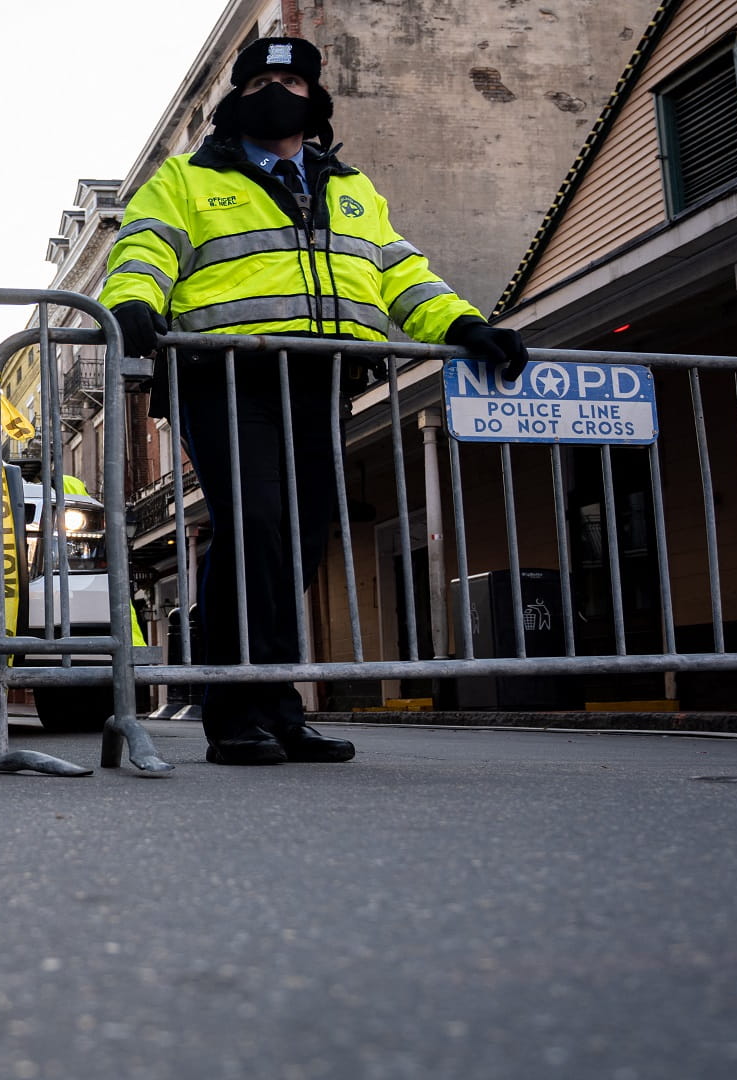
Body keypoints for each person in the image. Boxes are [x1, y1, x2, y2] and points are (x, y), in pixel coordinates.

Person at [100, 38, 527, 766]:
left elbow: (399, 272)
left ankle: (277, 709)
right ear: (236, 99)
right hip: (226, 375)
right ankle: (233, 712)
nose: (278, 91)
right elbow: (143, 249)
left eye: (292, 80)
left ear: (316, 97)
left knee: (300, 539)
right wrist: (133, 302)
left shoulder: (351, 186)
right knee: (255, 526)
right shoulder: (187, 177)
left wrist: (463, 323)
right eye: (263, 80)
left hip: (323, 381)